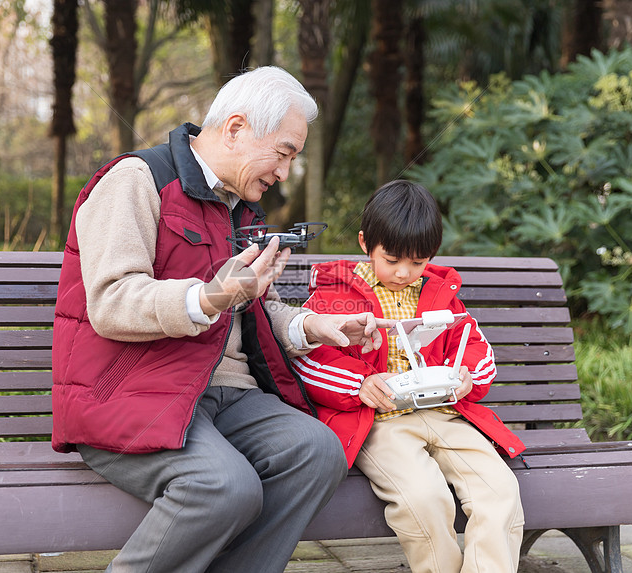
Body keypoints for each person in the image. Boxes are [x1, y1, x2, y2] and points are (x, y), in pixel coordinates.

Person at [51, 66, 392, 573]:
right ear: (235, 129)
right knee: (224, 487)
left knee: (317, 452)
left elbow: (252, 308)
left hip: (226, 395)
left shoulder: (241, 207)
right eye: (284, 152)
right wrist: (210, 297)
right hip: (130, 391)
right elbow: (111, 301)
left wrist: (311, 327)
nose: (284, 172)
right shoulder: (136, 180)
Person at [291, 180, 526, 573]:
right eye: (393, 259)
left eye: (417, 263)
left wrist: (467, 377)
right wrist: (360, 385)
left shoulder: (440, 294)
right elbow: (310, 360)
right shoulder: (335, 297)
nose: (404, 272)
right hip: (379, 421)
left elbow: (474, 345)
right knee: (424, 498)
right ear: (366, 244)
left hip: (446, 414)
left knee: (499, 491)